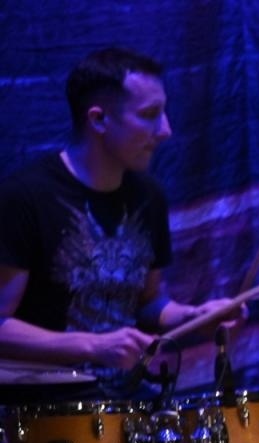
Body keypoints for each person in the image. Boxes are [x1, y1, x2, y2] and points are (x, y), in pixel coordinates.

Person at [0, 47, 240, 380]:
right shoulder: (24, 197)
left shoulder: (149, 196)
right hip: (48, 405)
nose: (165, 130)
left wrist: (192, 316)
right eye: (150, 114)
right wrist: (92, 346)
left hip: (129, 399)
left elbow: (149, 302)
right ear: (98, 119)